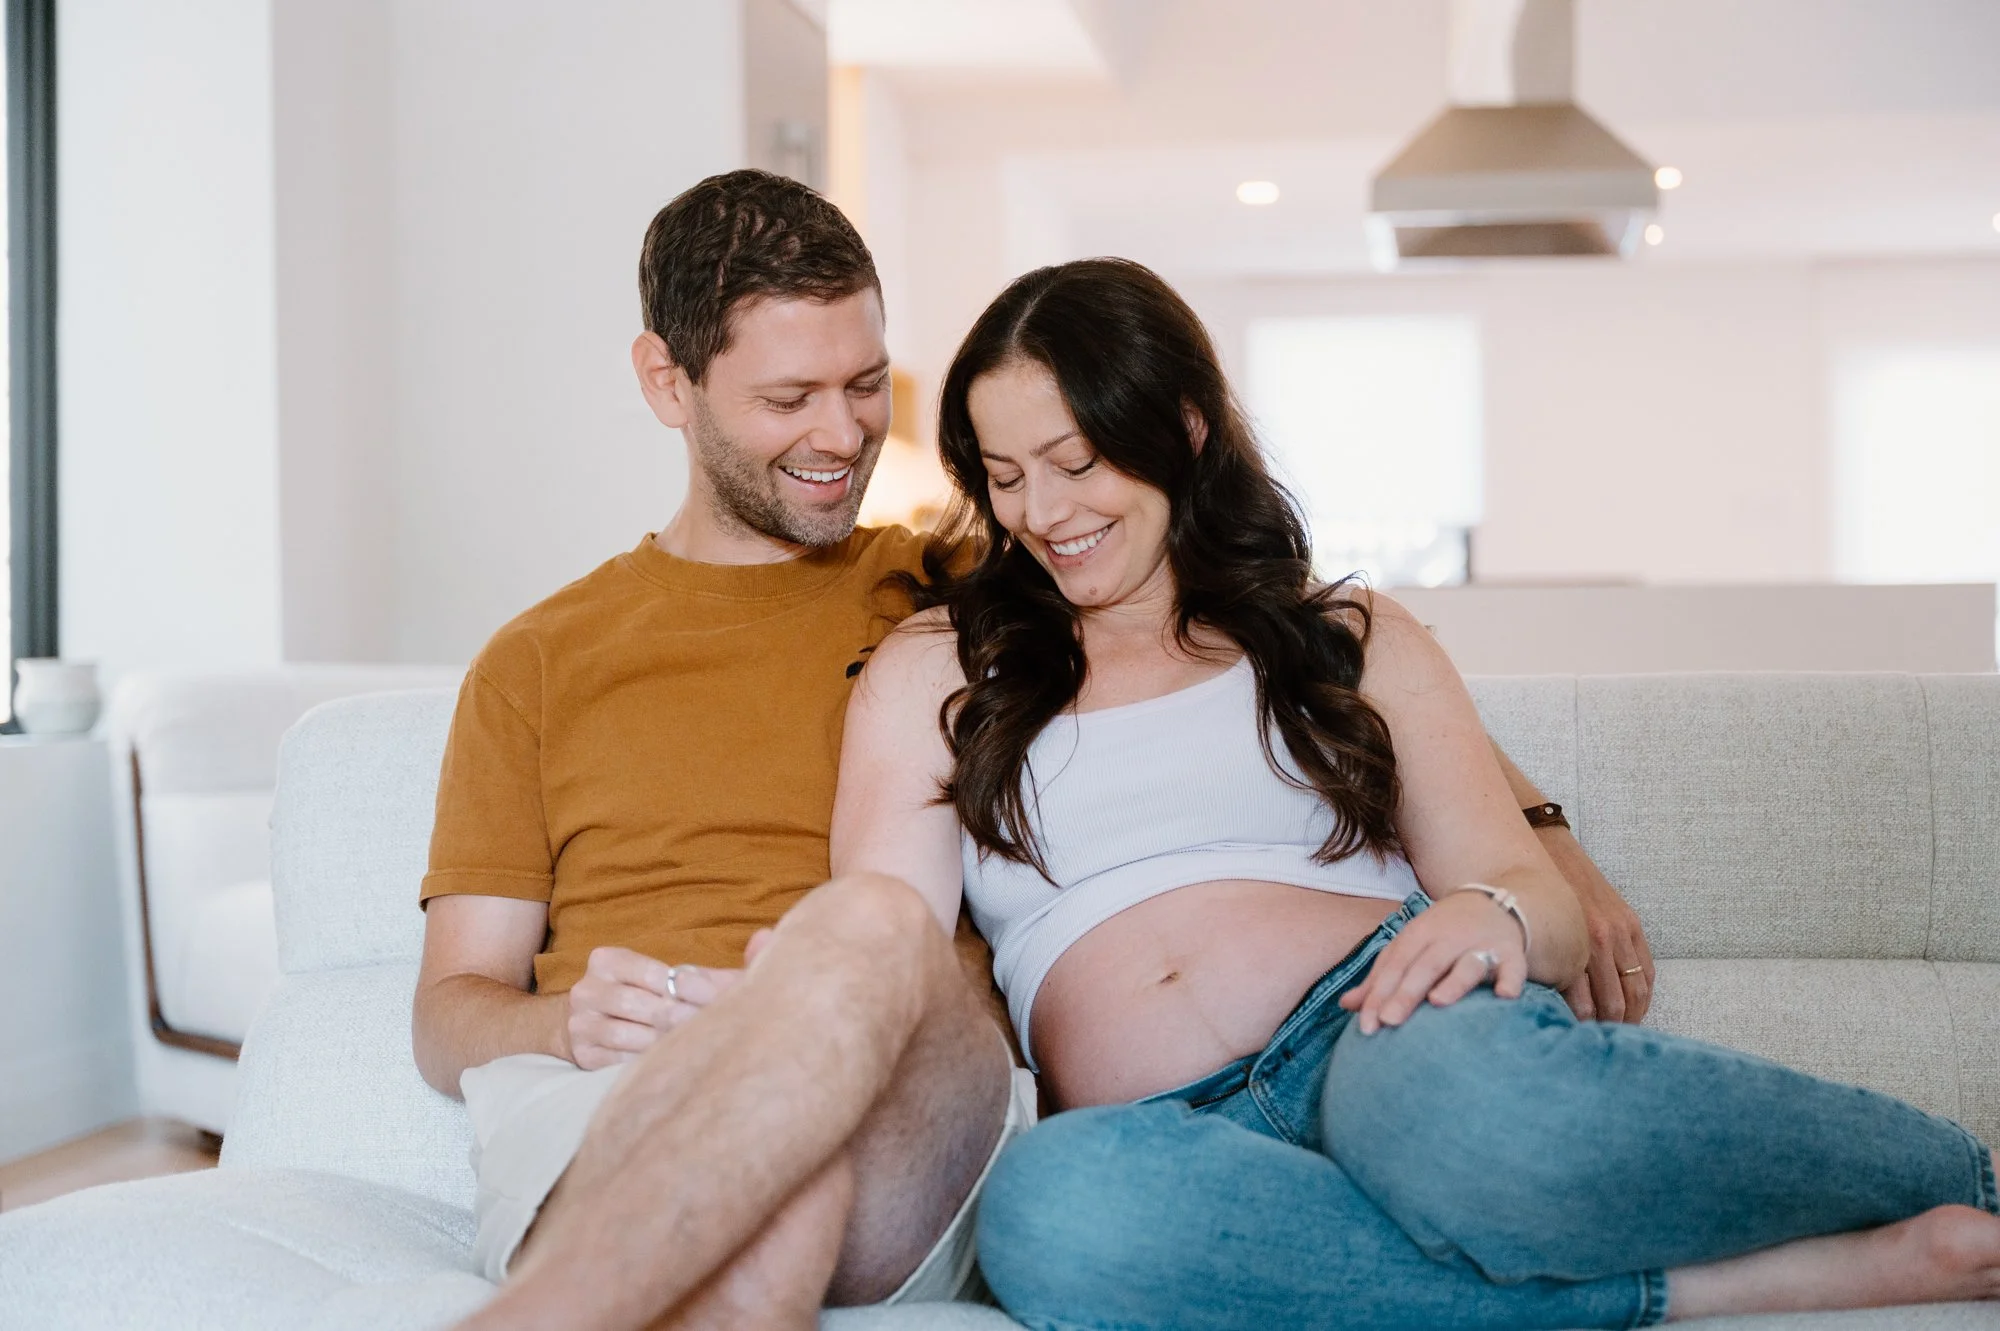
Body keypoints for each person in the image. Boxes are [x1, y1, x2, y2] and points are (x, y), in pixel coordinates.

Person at [833, 256, 2000, 1330]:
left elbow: (1531, 900)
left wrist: (1484, 909)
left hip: (1380, 1029)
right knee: (1052, 1215)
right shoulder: (939, 668)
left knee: (1484, 1130)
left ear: (1181, 429)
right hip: (1160, 1137)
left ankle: (1965, 1174)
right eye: (1006, 477)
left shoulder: (1343, 634)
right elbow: (877, 946)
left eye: (1077, 463)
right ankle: (1698, 1290)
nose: (1044, 511)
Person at [413, 169, 1036, 1331]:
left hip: (909, 1098)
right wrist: (564, 1023)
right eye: (788, 395)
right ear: (667, 380)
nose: (841, 433)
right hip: (620, 1097)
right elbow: (450, 1007)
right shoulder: (537, 660)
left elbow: (1209, 606)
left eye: (864, 384)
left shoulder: (956, 594)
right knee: (773, 1206)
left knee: (871, 918)